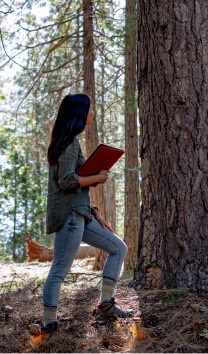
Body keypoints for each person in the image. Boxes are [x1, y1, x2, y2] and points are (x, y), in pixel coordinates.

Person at [42, 93, 132, 334]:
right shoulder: (68, 143)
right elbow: (67, 181)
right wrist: (97, 177)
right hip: (69, 216)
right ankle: (49, 324)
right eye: (90, 108)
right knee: (60, 270)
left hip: (81, 213)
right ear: (79, 113)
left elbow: (74, 183)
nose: (93, 112)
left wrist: (94, 210)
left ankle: (106, 305)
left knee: (118, 248)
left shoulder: (71, 141)